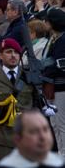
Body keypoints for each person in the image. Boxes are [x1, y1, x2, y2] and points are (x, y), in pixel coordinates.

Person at [0, 38, 37, 161]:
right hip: (2, 137)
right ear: (0, 55)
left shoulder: (29, 76)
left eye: (16, 52)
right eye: (9, 52)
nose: (13, 55)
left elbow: (37, 104)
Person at [0, 110, 65, 168]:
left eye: (45, 129)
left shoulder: (59, 163)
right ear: (17, 139)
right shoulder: (7, 165)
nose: (43, 137)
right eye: (34, 131)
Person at [43, 8, 65, 156]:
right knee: (55, 123)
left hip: (61, 86)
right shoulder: (55, 38)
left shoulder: (63, 39)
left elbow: (61, 64)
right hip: (54, 85)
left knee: (60, 123)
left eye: (47, 20)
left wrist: (44, 69)